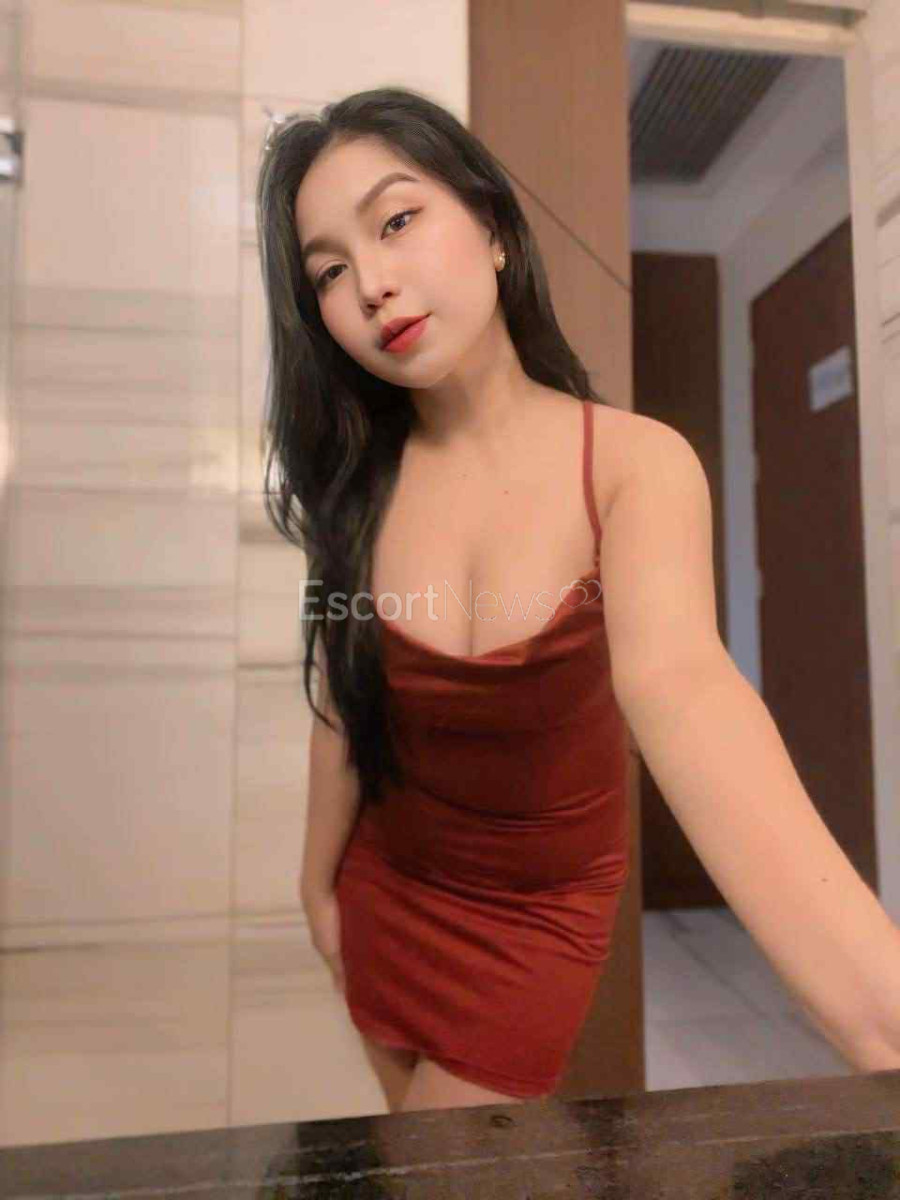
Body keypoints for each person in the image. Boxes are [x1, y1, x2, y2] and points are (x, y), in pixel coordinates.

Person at [255, 87, 900, 1114]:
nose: (371, 283)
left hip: (533, 919)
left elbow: (687, 690)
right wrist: (315, 881)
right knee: (413, 1159)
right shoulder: (360, 489)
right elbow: (346, 688)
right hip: (384, 892)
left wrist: (884, 1020)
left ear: (495, 227)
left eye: (397, 220)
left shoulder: (633, 468)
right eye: (328, 270)